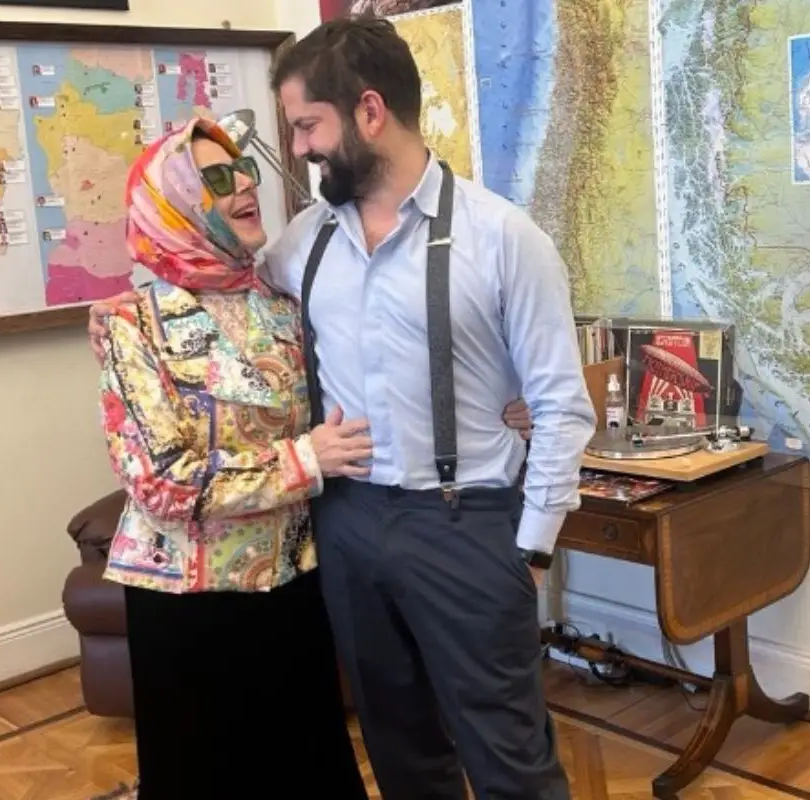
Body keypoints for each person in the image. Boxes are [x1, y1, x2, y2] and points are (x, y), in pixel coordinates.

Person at [90, 16, 594, 800]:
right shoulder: (299, 247)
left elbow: (562, 404)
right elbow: (219, 302)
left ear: (367, 111)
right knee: (400, 747)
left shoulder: (505, 238)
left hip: (463, 521)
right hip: (346, 525)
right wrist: (132, 314)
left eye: (305, 126)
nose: (295, 150)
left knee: (509, 753)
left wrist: (531, 547)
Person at [94, 117, 372, 799]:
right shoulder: (129, 323)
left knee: (309, 766)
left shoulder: (282, 303)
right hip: (189, 602)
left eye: (242, 168)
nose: (244, 183)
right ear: (176, 202)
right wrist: (303, 462)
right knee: (209, 775)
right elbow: (158, 479)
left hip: (291, 578)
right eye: (215, 178)